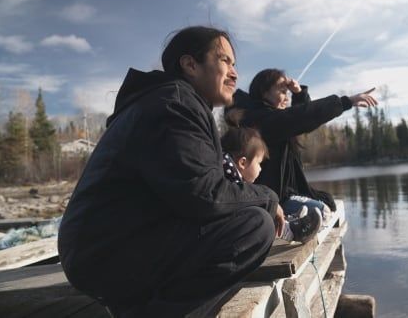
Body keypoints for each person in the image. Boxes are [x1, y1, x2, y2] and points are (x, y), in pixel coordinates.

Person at [58, 26, 283, 317]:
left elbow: (198, 194)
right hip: (105, 254)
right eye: (225, 61)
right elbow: (206, 196)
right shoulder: (173, 104)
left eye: (234, 64)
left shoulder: (173, 101)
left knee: (248, 219)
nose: (235, 73)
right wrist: (267, 197)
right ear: (190, 64)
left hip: (105, 249)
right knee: (254, 227)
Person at [228, 68, 377, 223]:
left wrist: (299, 94)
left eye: (287, 92)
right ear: (264, 93)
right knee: (322, 212)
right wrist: (346, 102)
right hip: (270, 200)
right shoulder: (261, 120)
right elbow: (301, 117)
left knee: (327, 203)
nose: (286, 97)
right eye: (282, 91)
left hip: (284, 194)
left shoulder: (272, 118)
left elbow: (301, 121)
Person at [220, 111, 322, 243]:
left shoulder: (226, 175)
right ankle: (292, 231)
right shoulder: (230, 181)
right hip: (230, 236)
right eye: (259, 163)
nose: (260, 169)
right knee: (258, 213)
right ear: (243, 163)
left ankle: (288, 220)